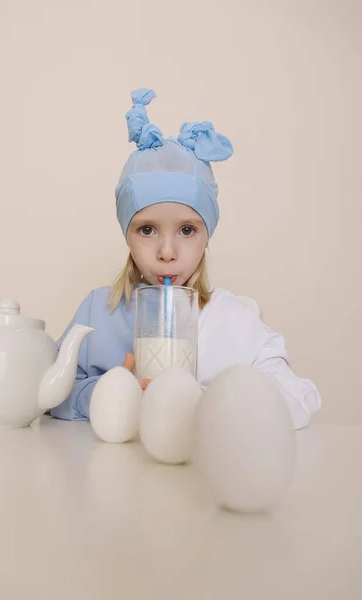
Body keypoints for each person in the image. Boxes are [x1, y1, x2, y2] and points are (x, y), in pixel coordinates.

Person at [51, 88, 321, 430]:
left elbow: (298, 397)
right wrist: (109, 393)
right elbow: (50, 393)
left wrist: (212, 402)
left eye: (187, 230)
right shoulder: (97, 313)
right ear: (126, 235)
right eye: (147, 230)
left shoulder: (231, 320)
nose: (167, 252)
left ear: (208, 235)